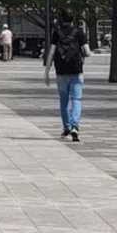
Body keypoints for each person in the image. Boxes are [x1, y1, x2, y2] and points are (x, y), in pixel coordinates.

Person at [46, 10, 88, 142]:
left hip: (61, 72)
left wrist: (47, 71)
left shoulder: (57, 32)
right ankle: (75, 126)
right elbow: (87, 52)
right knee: (76, 99)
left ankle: (66, 127)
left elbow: (52, 52)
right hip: (76, 71)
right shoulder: (79, 32)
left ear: (61, 19)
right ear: (72, 19)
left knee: (63, 101)